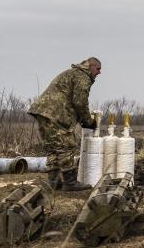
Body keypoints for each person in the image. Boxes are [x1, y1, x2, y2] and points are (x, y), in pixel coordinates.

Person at [28, 57, 101, 190]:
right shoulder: (82, 77)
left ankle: (54, 182)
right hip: (55, 112)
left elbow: (74, 101)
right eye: (98, 68)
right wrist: (88, 121)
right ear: (90, 66)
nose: (99, 72)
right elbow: (79, 102)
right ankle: (70, 182)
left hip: (44, 111)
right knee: (66, 144)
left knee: (53, 147)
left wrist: (82, 120)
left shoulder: (73, 73)